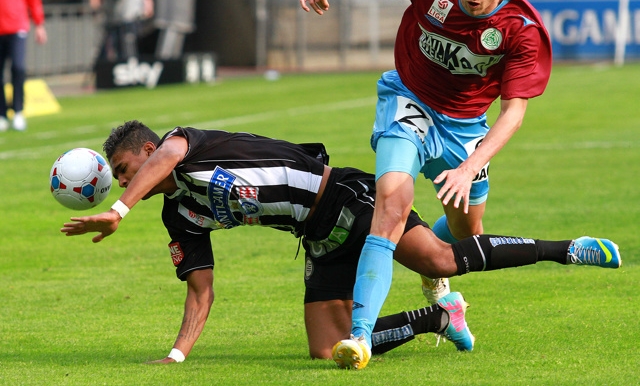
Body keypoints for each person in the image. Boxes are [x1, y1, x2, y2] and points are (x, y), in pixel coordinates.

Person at [60, 121, 620, 368]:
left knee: (442, 256)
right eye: (116, 177)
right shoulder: (180, 215)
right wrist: (178, 354)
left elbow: (169, 156)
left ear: (150, 150)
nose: (127, 179)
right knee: (327, 352)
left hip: (345, 195)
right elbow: (201, 290)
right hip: (318, 238)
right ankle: (438, 318)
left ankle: (566, 248)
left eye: (126, 169)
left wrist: (117, 209)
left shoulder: (188, 144)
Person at [300, 0, 555, 367]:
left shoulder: (521, 29)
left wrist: (470, 167)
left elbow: (513, 112)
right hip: (408, 102)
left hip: (465, 128)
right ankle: (359, 338)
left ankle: (432, 274)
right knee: (391, 205)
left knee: (466, 234)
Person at [0, 0, 47, 132]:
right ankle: (2, 114)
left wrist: (39, 24)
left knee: (18, 68)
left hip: (17, 27)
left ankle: (18, 111)